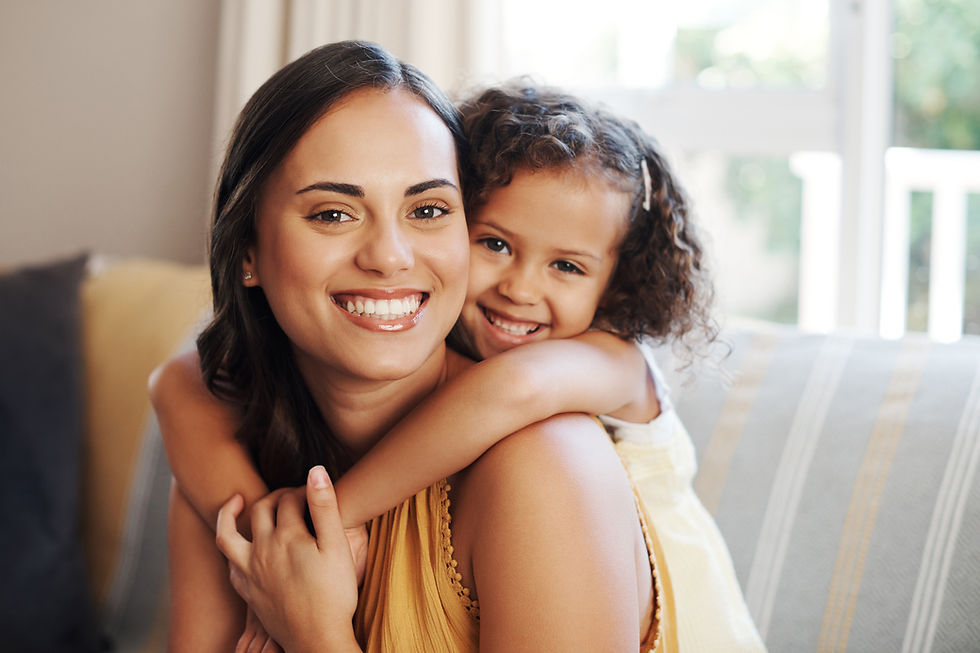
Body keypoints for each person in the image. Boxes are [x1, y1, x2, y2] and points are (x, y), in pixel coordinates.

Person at [153, 40, 666, 652]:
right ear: (246, 253)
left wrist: (315, 634)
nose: (391, 256)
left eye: (427, 208)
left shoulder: (546, 468)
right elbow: (182, 382)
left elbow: (516, 391)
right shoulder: (228, 469)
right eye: (333, 214)